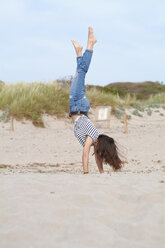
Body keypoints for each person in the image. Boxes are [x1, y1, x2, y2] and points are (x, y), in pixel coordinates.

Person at [69, 27, 122, 174]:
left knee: (80, 72)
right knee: (81, 72)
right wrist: (86, 172)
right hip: (77, 105)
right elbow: (85, 153)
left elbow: (97, 157)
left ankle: (79, 52)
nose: (99, 154)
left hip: (78, 107)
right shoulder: (92, 137)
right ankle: (90, 45)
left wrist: (101, 172)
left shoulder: (93, 140)